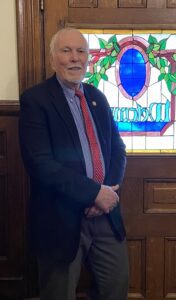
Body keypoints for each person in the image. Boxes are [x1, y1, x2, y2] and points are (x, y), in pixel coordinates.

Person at [19, 27, 129, 300]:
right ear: (52, 58)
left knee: (116, 289)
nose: (74, 58)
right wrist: (93, 193)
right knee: (59, 294)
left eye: (81, 51)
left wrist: (108, 192)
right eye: (66, 51)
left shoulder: (97, 98)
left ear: (89, 58)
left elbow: (117, 148)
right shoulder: (36, 100)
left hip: (105, 214)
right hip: (60, 218)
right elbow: (40, 163)